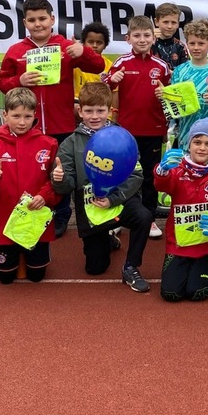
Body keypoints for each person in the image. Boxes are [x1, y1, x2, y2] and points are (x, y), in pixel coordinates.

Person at [0, 0, 105, 238]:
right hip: (29, 126)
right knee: (34, 171)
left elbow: (98, 66)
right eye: (32, 19)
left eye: (42, 19)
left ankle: (61, 214)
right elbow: (2, 82)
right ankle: (34, 210)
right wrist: (19, 81)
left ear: (52, 19)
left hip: (62, 123)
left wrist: (83, 51)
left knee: (61, 171)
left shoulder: (66, 46)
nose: (38, 24)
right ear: (25, 22)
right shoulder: (16, 51)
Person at [51, 82, 154, 293]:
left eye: (100, 110)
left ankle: (131, 267)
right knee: (95, 268)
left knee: (143, 216)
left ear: (110, 110)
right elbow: (64, 187)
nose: (95, 116)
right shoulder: (70, 144)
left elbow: (136, 174)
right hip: (90, 205)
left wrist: (113, 198)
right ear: (80, 111)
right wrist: (59, 178)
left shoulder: (123, 137)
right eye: (89, 111)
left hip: (121, 198)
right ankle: (108, 239)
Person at [0, 87, 60, 284]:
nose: (22, 122)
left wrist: (45, 196)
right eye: (16, 115)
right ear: (5, 115)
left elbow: (57, 181)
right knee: (5, 278)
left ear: (34, 115)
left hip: (35, 223)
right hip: (4, 223)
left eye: (27, 116)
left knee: (37, 277)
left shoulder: (49, 144)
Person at [104, 15, 172, 239]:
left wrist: (167, 95)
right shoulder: (121, 63)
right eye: (137, 36)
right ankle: (121, 218)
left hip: (153, 131)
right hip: (126, 132)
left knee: (150, 177)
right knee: (125, 174)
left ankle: (150, 218)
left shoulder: (162, 66)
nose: (142, 40)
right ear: (128, 38)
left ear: (154, 38)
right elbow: (103, 85)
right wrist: (113, 80)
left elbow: (173, 97)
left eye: (146, 35)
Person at [153, 119, 208, 302]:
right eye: (197, 142)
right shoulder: (177, 171)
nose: (202, 148)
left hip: (205, 247)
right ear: (189, 144)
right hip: (178, 245)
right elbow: (161, 185)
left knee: (198, 294)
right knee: (171, 294)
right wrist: (162, 169)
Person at [165, 19, 208, 163]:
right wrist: (164, 95)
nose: (196, 47)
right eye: (192, 43)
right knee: (188, 179)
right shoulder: (180, 71)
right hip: (186, 137)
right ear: (186, 44)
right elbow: (173, 105)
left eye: (201, 43)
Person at [73, 21, 113, 98]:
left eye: (99, 42)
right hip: (78, 105)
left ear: (105, 45)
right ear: (83, 43)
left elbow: (114, 92)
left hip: (101, 106)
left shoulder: (110, 66)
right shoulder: (75, 64)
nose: (95, 46)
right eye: (90, 42)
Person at [151, 2, 189, 71]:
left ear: (178, 24)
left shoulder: (180, 46)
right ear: (156, 22)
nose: (169, 26)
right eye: (165, 22)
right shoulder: (149, 44)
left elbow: (186, 71)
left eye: (174, 22)